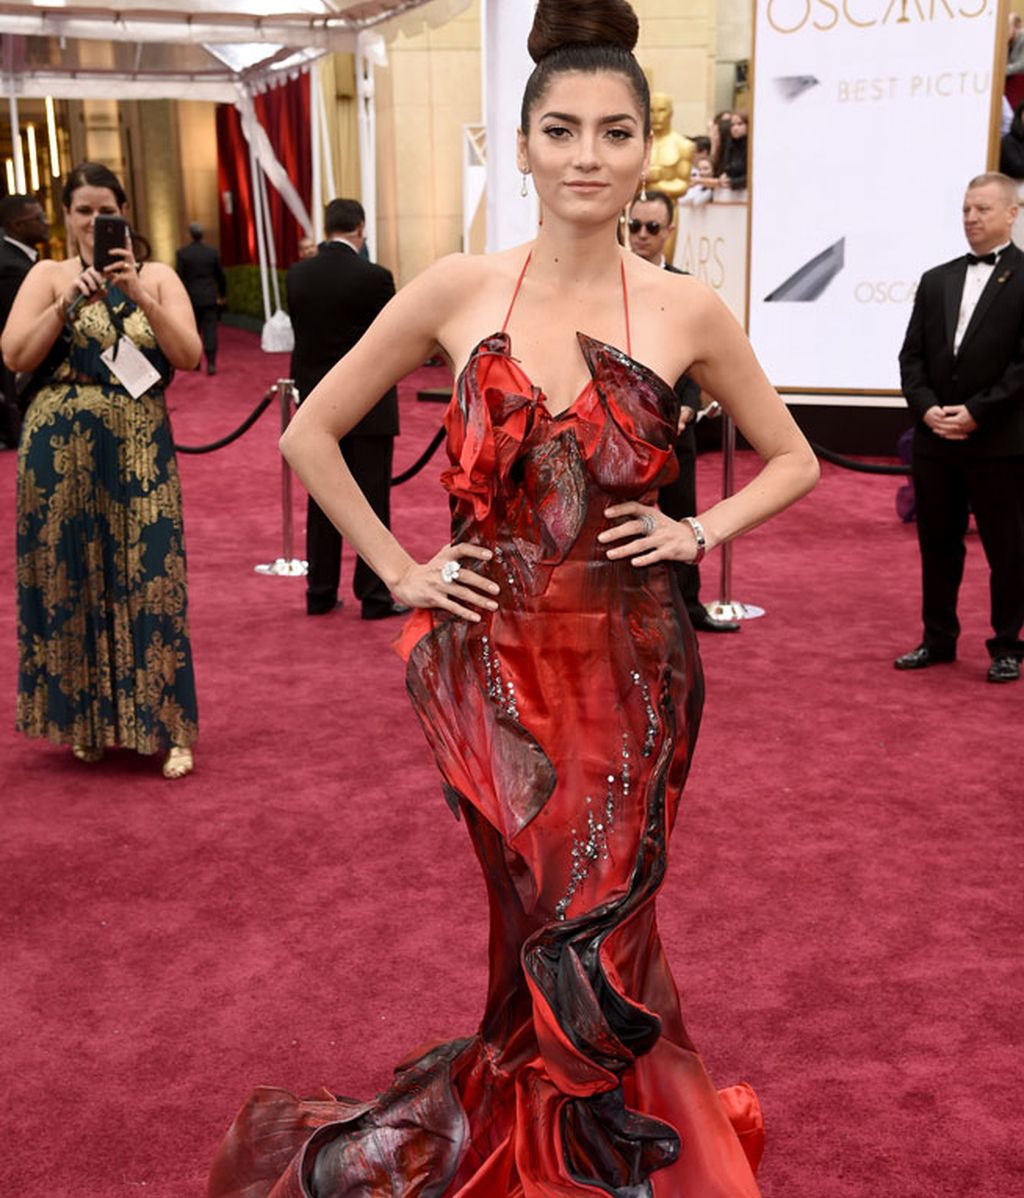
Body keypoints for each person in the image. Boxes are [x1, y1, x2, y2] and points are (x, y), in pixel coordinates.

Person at [209, 1, 818, 1194]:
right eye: (560, 129)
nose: (586, 154)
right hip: (494, 668)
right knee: (538, 921)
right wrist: (400, 569)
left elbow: (791, 455)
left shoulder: (685, 306)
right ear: (525, 143)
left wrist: (697, 530)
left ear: (649, 145)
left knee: (607, 923)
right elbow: (313, 432)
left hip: (634, 670)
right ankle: (559, 1151)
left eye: (613, 130)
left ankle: (601, 1152)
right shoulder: (455, 286)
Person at [3, 161, 203, 777]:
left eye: (104, 210)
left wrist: (138, 293)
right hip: (57, 448)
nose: (94, 222)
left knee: (152, 578)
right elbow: (13, 354)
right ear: (67, 216)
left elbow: (189, 355)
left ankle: (170, 727)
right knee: (72, 580)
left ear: (124, 212)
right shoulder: (47, 274)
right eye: (83, 211)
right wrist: (64, 305)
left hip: (140, 444)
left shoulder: (161, 275)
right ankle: (85, 721)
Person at [896, 172, 1024, 684]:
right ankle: (937, 638)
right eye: (967, 209)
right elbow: (912, 357)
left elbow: (1023, 365)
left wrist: (977, 411)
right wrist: (926, 408)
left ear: (1012, 213)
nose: (971, 218)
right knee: (938, 545)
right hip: (935, 442)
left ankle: (1008, 644)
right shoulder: (936, 279)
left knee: (1008, 548)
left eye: (983, 209)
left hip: (999, 440)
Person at [285, 197, 406, 619]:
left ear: (328, 225)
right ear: (361, 227)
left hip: (316, 404)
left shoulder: (298, 275)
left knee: (322, 499)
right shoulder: (376, 278)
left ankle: (319, 592)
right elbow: (393, 341)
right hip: (369, 406)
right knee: (371, 501)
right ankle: (373, 596)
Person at [628, 187, 739, 632]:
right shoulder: (606, 282)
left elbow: (696, 359)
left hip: (675, 430)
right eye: (634, 225)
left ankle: (689, 610)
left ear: (670, 231)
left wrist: (688, 408)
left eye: (652, 227)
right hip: (618, 432)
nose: (641, 235)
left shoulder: (686, 288)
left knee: (682, 519)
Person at [0, 194, 49, 447]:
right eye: (39, 218)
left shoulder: (18, 258)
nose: (47, 222)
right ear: (18, 225)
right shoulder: (11, 266)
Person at [175, 221, 226, 376]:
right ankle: (211, 363)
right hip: (209, 297)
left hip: (190, 298)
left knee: (193, 331)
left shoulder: (183, 253)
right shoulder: (212, 252)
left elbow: (179, 277)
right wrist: (222, 294)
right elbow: (220, 276)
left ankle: (195, 362)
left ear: (190, 235)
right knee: (210, 330)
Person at [719, 111, 749, 192]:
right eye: (732, 125)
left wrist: (733, 182)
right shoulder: (730, 144)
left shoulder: (753, 146)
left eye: (740, 124)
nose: (735, 128)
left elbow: (753, 175)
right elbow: (728, 167)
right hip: (733, 191)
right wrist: (724, 175)